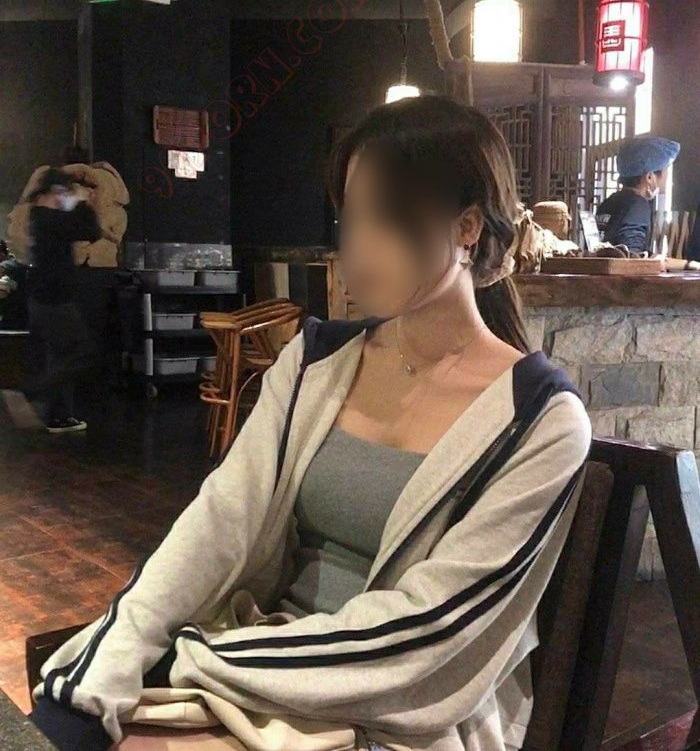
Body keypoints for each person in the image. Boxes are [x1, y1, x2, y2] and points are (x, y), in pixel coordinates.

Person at [29, 98, 591, 751]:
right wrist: (113, 653)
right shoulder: (315, 361)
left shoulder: (538, 419)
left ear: (466, 226)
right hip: (259, 662)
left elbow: (429, 637)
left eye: (386, 216)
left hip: (399, 717)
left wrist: (200, 663)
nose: (356, 247)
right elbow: (220, 520)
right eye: (350, 217)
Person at [22, 168, 101, 433]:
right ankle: (33, 390)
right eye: (64, 191)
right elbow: (93, 231)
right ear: (55, 192)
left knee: (60, 356)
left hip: (43, 299)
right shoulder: (50, 219)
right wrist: (80, 202)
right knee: (81, 351)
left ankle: (58, 417)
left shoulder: (40, 218)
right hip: (55, 300)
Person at [595, 134, 680, 254]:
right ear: (649, 177)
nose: (667, 178)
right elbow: (631, 255)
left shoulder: (609, 202)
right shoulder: (638, 206)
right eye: (666, 171)